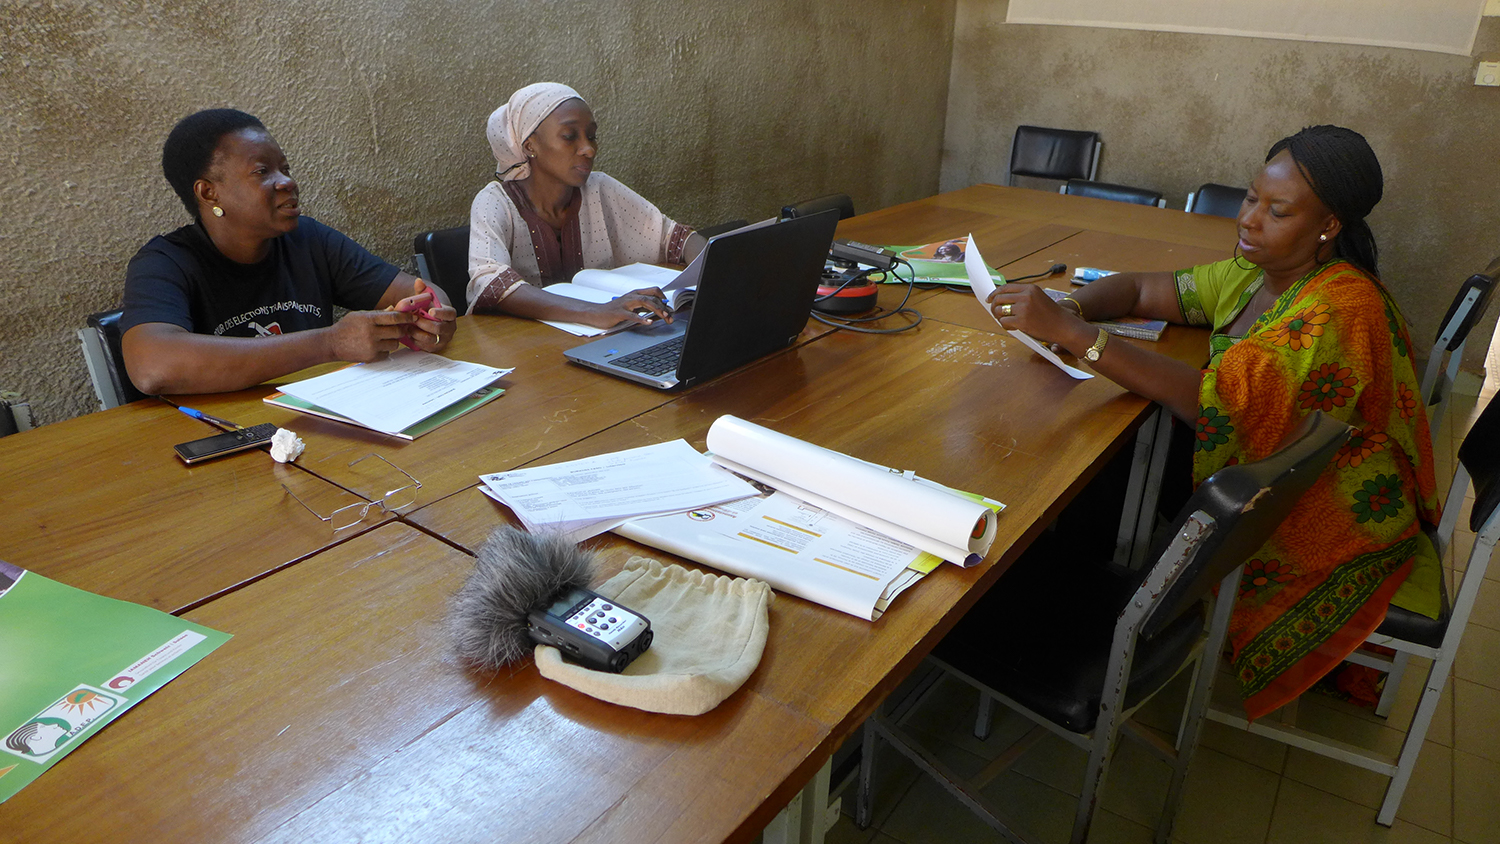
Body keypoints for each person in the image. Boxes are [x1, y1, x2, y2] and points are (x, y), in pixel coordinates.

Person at [987, 125, 1441, 721]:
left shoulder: (1338, 309)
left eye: (1277, 211)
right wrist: (1072, 306)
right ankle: (1073, 593)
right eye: (1252, 198)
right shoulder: (1256, 274)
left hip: (1312, 502)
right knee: (1105, 449)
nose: (1250, 220)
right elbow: (1145, 288)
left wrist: (1075, 336)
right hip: (1265, 467)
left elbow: (1212, 404)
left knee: (1104, 456)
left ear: (1328, 227)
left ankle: (1072, 618)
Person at [122, 109, 457, 395]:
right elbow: (152, 366)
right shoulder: (165, 262)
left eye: (285, 169)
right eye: (262, 172)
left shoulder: (308, 239)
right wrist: (330, 344)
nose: (287, 182)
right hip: (228, 440)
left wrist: (430, 320)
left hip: (316, 418)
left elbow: (420, 293)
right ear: (209, 193)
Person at [467, 83, 706, 327]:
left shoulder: (601, 188)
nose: (589, 149)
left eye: (592, 136)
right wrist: (595, 312)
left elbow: (677, 238)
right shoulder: (495, 202)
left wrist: (715, 275)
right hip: (523, 351)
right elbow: (491, 284)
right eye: (570, 136)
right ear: (530, 146)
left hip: (607, 341)